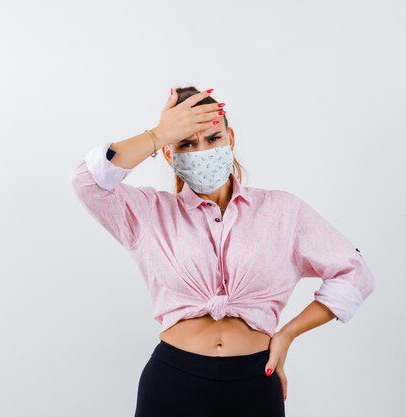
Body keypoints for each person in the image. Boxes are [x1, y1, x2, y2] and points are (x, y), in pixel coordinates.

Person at [69, 86, 376, 417]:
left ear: (229, 138)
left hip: (255, 382)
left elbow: (354, 272)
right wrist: (160, 134)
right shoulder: (147, 212)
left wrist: (287, 334)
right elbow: (87, 181)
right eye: (186, 142)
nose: (201, 151)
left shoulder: (282, 211)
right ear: (171, 155)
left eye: (212, 138)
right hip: (173, 382)